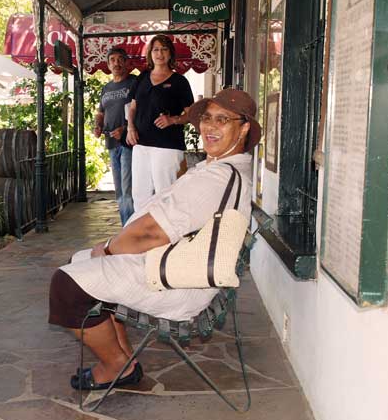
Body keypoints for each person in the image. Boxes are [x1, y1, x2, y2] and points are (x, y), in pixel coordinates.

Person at [49, 89, 262, 391]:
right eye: (206, 118)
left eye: (222, 120)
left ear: (243, 128)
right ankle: (124, 362)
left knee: (65, 285)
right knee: (80, 264)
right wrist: (110, 249)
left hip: (176, 281)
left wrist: (109, 250)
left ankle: (114, 365)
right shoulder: (222, 167)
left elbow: (151, 233)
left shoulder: (217, 178)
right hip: (174, 262)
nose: (210, 127)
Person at [126, 34, 194, 211]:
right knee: (140, 195)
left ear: (170, 53)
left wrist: (173, 119)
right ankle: (142, 235)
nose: (160, 53)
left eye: (164, 49)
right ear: (150, 53)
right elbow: (132, 107)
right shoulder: (141, 78)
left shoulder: (180, 81)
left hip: (167, 146)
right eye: (156, 49)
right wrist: (130, 128)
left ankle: (168, 237)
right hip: (141, 144)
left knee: (166, 194)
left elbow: (192, 114)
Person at [93, 48, 137, 225]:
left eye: (120, 59)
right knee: (119, 191)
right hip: (111, 143)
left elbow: (140, 111)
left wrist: (124, 129)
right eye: (113, 60)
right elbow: (100, 112)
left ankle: (129, 229)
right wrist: (97, 125)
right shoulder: (106, 87)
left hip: (128, 142)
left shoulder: (134, 82)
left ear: (126, 63)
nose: (117, 63)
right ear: (108, 64)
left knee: (128, 190)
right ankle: (125, 226)